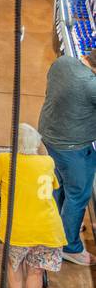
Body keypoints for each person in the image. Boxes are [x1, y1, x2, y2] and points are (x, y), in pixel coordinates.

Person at [0, 124, 67, 288]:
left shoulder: (5, 160)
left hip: (18, 230)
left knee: (15, 267)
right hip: (48, 229)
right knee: (36, 271)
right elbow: (53, 186)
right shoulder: (47, 162)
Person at [36, 48, 96, 266]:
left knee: (59, 184)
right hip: (73, 148)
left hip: (49, 135)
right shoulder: (91, 85)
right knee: (78, 195)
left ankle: (60, 224)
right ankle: (69, 246)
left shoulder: (63, 62)